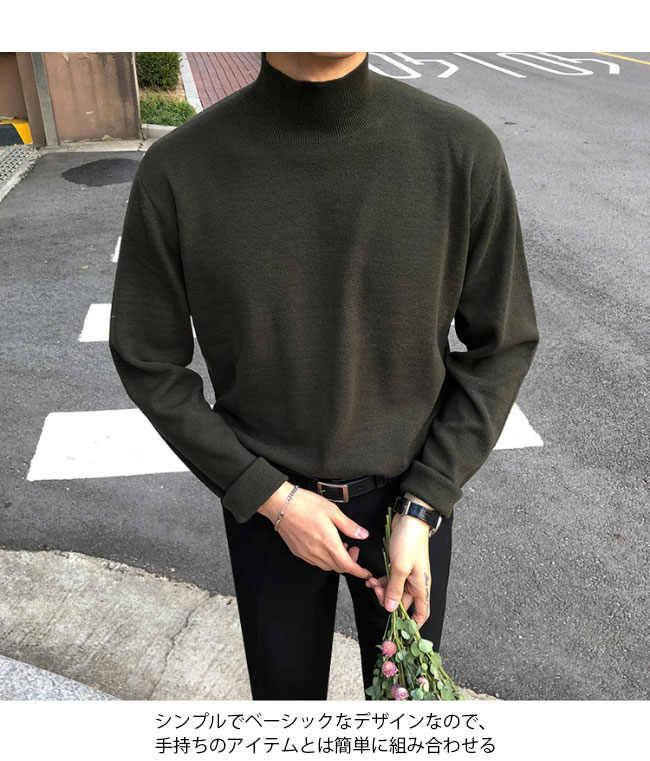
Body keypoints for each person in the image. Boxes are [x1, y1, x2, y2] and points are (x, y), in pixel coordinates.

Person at [109, 51, 540, 700]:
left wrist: (425, 501)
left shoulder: (460, 153)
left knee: (406, 719)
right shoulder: (180, 169)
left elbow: (503, 342)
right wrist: (269, 496)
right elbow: (147, 359)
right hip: (265, 508)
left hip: (407, 507)